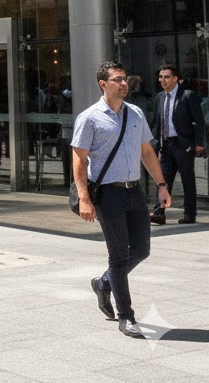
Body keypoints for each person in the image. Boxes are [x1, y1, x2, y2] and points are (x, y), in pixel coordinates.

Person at [71, 60, 171, 338]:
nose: (124, 83)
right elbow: (78, 160)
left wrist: (162, 185)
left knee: (141, 250)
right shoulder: (89, 118)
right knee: (118, 256)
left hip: (134, 191)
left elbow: (147, 152)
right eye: (118, 79)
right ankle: (126, 316)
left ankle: (104, 283)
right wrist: (84, 198)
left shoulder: (135, 113)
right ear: (103, 84)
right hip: (108, 194)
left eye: (125, 78)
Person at [149, 64, 205, 226]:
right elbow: (156, 123)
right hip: (165, 145)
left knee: (187, 180)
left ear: (175, 79)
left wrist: (199, 143)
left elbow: (199, 121)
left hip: (183, 145)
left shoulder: (187, 96)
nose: (162, 80)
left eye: (166, 77)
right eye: (160, 77)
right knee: (163, 180)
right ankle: (159, 213)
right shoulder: (159, 98)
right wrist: (153, 142)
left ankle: (189, 214)